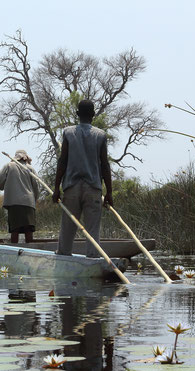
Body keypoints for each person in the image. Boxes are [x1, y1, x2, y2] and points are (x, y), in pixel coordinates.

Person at [52, 99, 113, 257]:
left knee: (67, 229)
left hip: (71, 188)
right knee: (93, 231)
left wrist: (56, 189)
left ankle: (63, 256)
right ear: (93, 115)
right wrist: (109, 193)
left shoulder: (68, 132)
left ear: (77, 114)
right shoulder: (100, 135)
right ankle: (93, 259)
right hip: (93, 189)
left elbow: (62, 161)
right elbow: (105, 165)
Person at [0, 150, 40, 243]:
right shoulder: (30, 168)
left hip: (14, 202)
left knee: (14, 229)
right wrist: (34, 200)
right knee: (28, 230)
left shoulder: (9, 166)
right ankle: (30, 251)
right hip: (28, 202)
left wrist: (1, 186)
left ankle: (14, 249)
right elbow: (36, 186)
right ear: (25, 157)